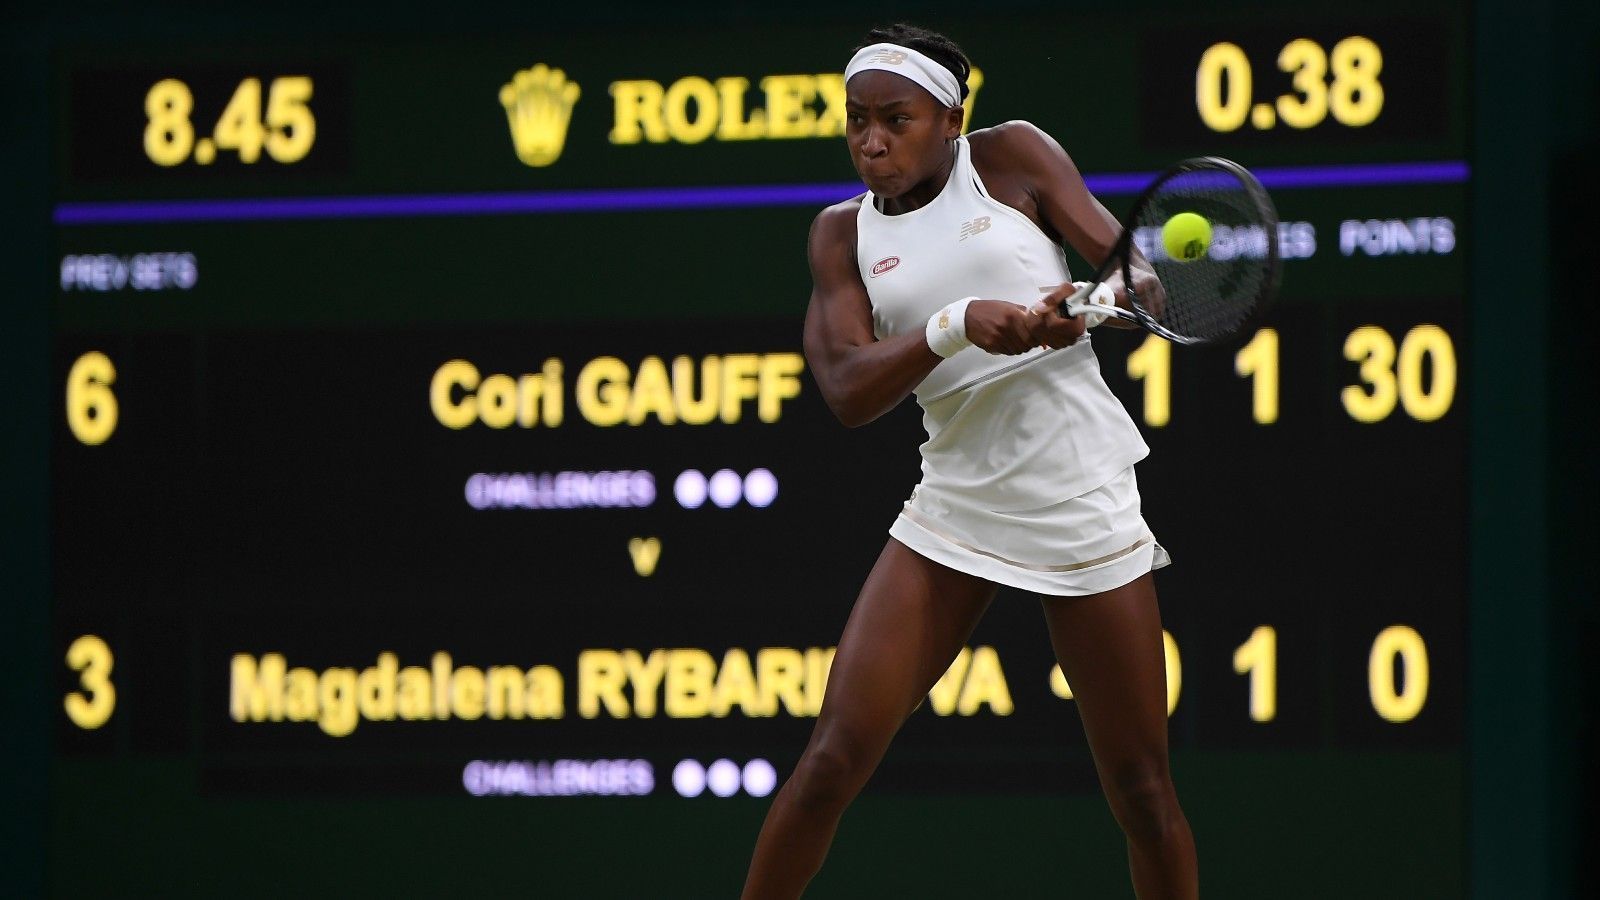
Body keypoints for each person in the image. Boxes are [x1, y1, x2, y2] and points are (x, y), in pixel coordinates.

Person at [739, 24, 1198, 900]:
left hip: (1080, 491)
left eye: (896, 120)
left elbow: (1139, 279)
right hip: (954, 503)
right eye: (857, 121)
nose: (871, 142)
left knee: (1142, 792)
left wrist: (1087, 302)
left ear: (951, 119)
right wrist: (956, 325)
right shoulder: (840, 236)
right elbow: (845, 389)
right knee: (831, 761)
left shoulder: (1015, 157)